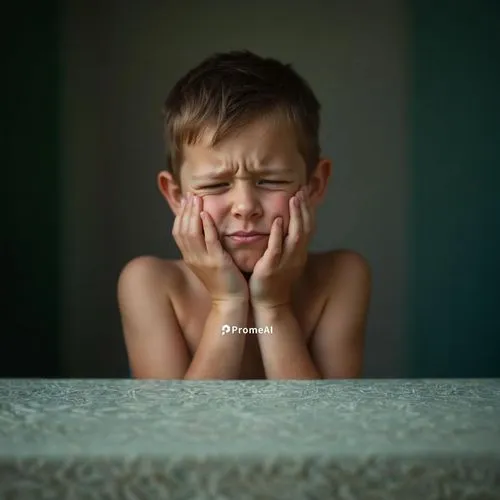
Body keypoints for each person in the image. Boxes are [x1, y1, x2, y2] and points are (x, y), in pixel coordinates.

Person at [117, 50, 371, 380]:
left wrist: (273, 307)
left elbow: (320, 423)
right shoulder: (150, 284)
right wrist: (228, 304)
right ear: (176, 196)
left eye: (271, 180)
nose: (245, 206)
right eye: (216, 184)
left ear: (314, 184)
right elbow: (179, 426)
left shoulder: (341, 277)